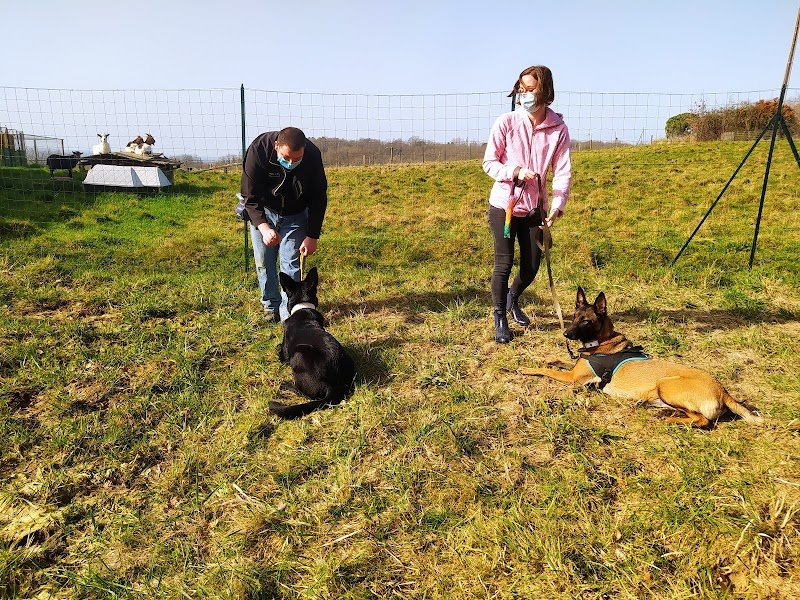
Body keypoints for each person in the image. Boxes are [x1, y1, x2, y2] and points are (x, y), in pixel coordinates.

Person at [482, 65, 572, 343]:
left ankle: (512, 297)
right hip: (504, 208)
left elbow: (563, 169)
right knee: (504, 263)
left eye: (530, 89)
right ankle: (500, 316)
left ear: (545, 91)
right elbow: (489, 163)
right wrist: (515, 172)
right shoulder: (506, 122)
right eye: (522, 89)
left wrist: (557, 204)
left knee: (532, 265)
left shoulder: (559, 129)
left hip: (536, 209)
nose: (524, 94)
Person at [240, 127, 328, 322]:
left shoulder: (312, 156)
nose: (291, 163)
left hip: (296, 214)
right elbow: (249, 196)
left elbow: (318, 198)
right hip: (264, 211)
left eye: (297, 159)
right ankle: (270, 306)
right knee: (264, 262)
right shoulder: (258, 150)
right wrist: (263, 227)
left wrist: (312, 236)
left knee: (292, 265)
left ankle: (290, 314)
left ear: (304, 150)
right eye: (286, 157)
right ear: (276, 146)